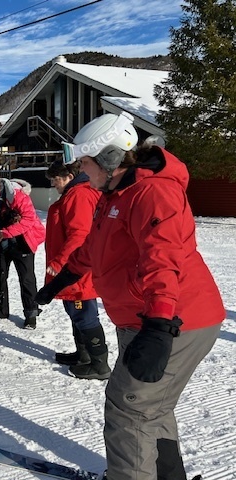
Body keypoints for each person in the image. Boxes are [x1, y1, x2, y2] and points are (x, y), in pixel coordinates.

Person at [36, 112, 224, 479]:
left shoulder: (153, 193)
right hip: (145, 318)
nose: (82, 173)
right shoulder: (114, 194)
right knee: (153, 409)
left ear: (109, 159)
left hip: (175, 320)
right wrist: (63, 279)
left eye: (86, 164)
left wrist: (158, 324)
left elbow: (163, 259)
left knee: (129, 409)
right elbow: (94, 246)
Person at [44, 159, 110, 380]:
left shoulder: (78, 196)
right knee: (75, 312)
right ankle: (83, 356)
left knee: (84, 314)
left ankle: (99, 364)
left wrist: (59, 262)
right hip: (73, 268)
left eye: (56, 179)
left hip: (76, 269)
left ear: (69, 177)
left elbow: (79, 235)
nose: (54, 184)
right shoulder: (76, 193)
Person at [0, 175, 45, 329]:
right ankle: (0, 309)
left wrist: (7, 232)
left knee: (26, 279)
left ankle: (31, 313)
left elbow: (29, 219)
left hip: (22, 242)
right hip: (0, 243)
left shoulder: (17, 195)